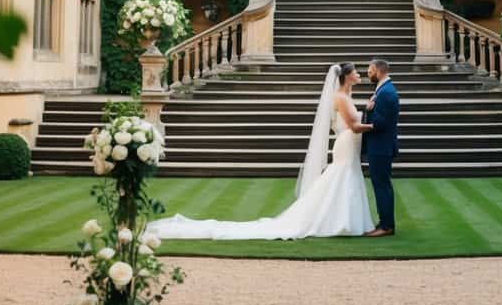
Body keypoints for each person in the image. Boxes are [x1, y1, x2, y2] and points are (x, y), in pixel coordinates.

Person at [146, 62, 375, 240]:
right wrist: (376, 125)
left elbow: (353, 121)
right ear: (346, 76)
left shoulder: (346, 96)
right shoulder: (342, 98)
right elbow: (353, 125)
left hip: (348, 142)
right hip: (346, 142)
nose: (359, 74)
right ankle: (339, 221)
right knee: (341, 178)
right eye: (355, 72)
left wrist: (367, 110)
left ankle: (343, 220)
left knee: (343, 179)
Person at [362, 57, 399, 237]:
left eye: (370, 70)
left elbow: (379, 124)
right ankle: (384, 222)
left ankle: (386, 226)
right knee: (381, 185)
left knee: (381, 185)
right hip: (381, 146)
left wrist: (366, 116)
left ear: (378, 70)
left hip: (380, 147)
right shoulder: (383, 89)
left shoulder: (385, 92)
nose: (368, 73)